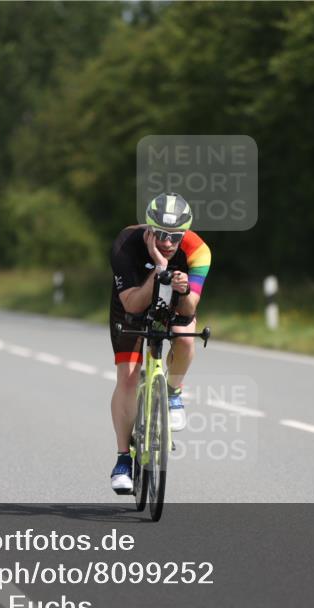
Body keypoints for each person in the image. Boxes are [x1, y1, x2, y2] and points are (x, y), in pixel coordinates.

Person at [108, 192, 211, 493]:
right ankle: (123, 459)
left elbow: (189, 309)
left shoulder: (198, 251)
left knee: (186, 340)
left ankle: (173, 392)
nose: (168, 242)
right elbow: (133, 306)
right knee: (127, 378)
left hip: (174, 303)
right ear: (149, 229)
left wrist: (180, 288)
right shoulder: (126, 244)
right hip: (132, 301)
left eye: (176, 236)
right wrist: (160, 271)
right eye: (162, 234)